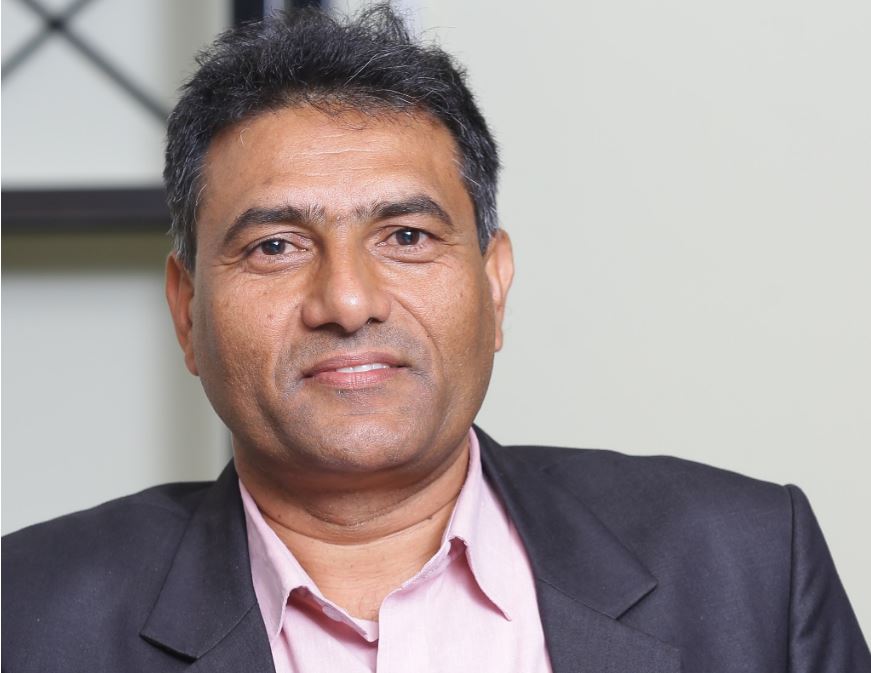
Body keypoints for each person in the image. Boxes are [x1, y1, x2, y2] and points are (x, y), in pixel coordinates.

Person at [2, 5, 869, 672]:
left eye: (406, 236)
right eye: (275, 246)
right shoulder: (26, 616)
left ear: (494, 283)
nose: (347, 301)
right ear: (186, 309)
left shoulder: (745, 563)